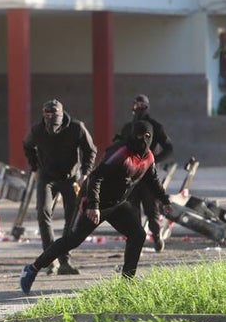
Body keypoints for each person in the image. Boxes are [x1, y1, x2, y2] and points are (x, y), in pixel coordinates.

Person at [19, 120, 178, 295]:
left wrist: (165, 200)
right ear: (132, 135)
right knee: (71, 241)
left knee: (138, 234)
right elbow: (96, 178)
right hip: (93, 202)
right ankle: (32, 269)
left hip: (117, 204)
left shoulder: (148, 157)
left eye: (147, 136)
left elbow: (152, 180)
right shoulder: (120, 152)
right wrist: (93, 206)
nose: (142, 139)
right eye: (139, 135)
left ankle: (127, 281)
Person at [22, 99, 97, 276]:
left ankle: (65, 260)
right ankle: (50, 259)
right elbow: (27, 145)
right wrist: (34, 168)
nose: (49, 117)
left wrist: (85, 173)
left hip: (70, 178)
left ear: (61, 115)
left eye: (53, 114)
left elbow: (90, 150)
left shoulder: (76, 128)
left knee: (71, 219)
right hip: (46, 176)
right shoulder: (37, 130)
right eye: (46, 114)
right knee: (43, 212)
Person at [113, 94, 175, 252]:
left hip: (148, 175)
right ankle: (136, 242)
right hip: (132, 175)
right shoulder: (128, 128)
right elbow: (119, 146)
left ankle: (156, 236)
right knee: (133, 212)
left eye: (142, 106)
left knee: (151, 211)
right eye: (136, 106)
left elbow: (169, 148)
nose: (139, 109)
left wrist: (154, 160)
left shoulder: (155, 126)